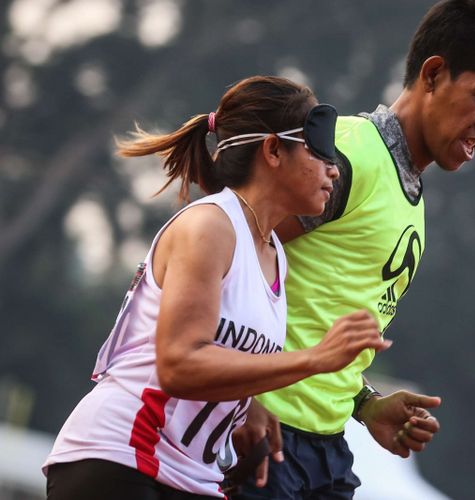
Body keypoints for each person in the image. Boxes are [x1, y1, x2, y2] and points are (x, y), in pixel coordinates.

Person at [234, 1, 475, 498]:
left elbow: (317, 316)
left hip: (325, 452)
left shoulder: (412, 199)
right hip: (261, 436)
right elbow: (224, 253)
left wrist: (365, 403)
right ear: (435, 74)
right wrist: (238, 398)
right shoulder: (349, 156)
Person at [42, 75, 391, 500]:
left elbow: (225, 355)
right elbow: (180, 366)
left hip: (191, 475)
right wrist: (313, 359)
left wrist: (249, 407)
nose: (334, 167)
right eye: (318, 149)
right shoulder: (210, 225)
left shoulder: (274, 254)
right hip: (121, 459)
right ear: (274, 150)